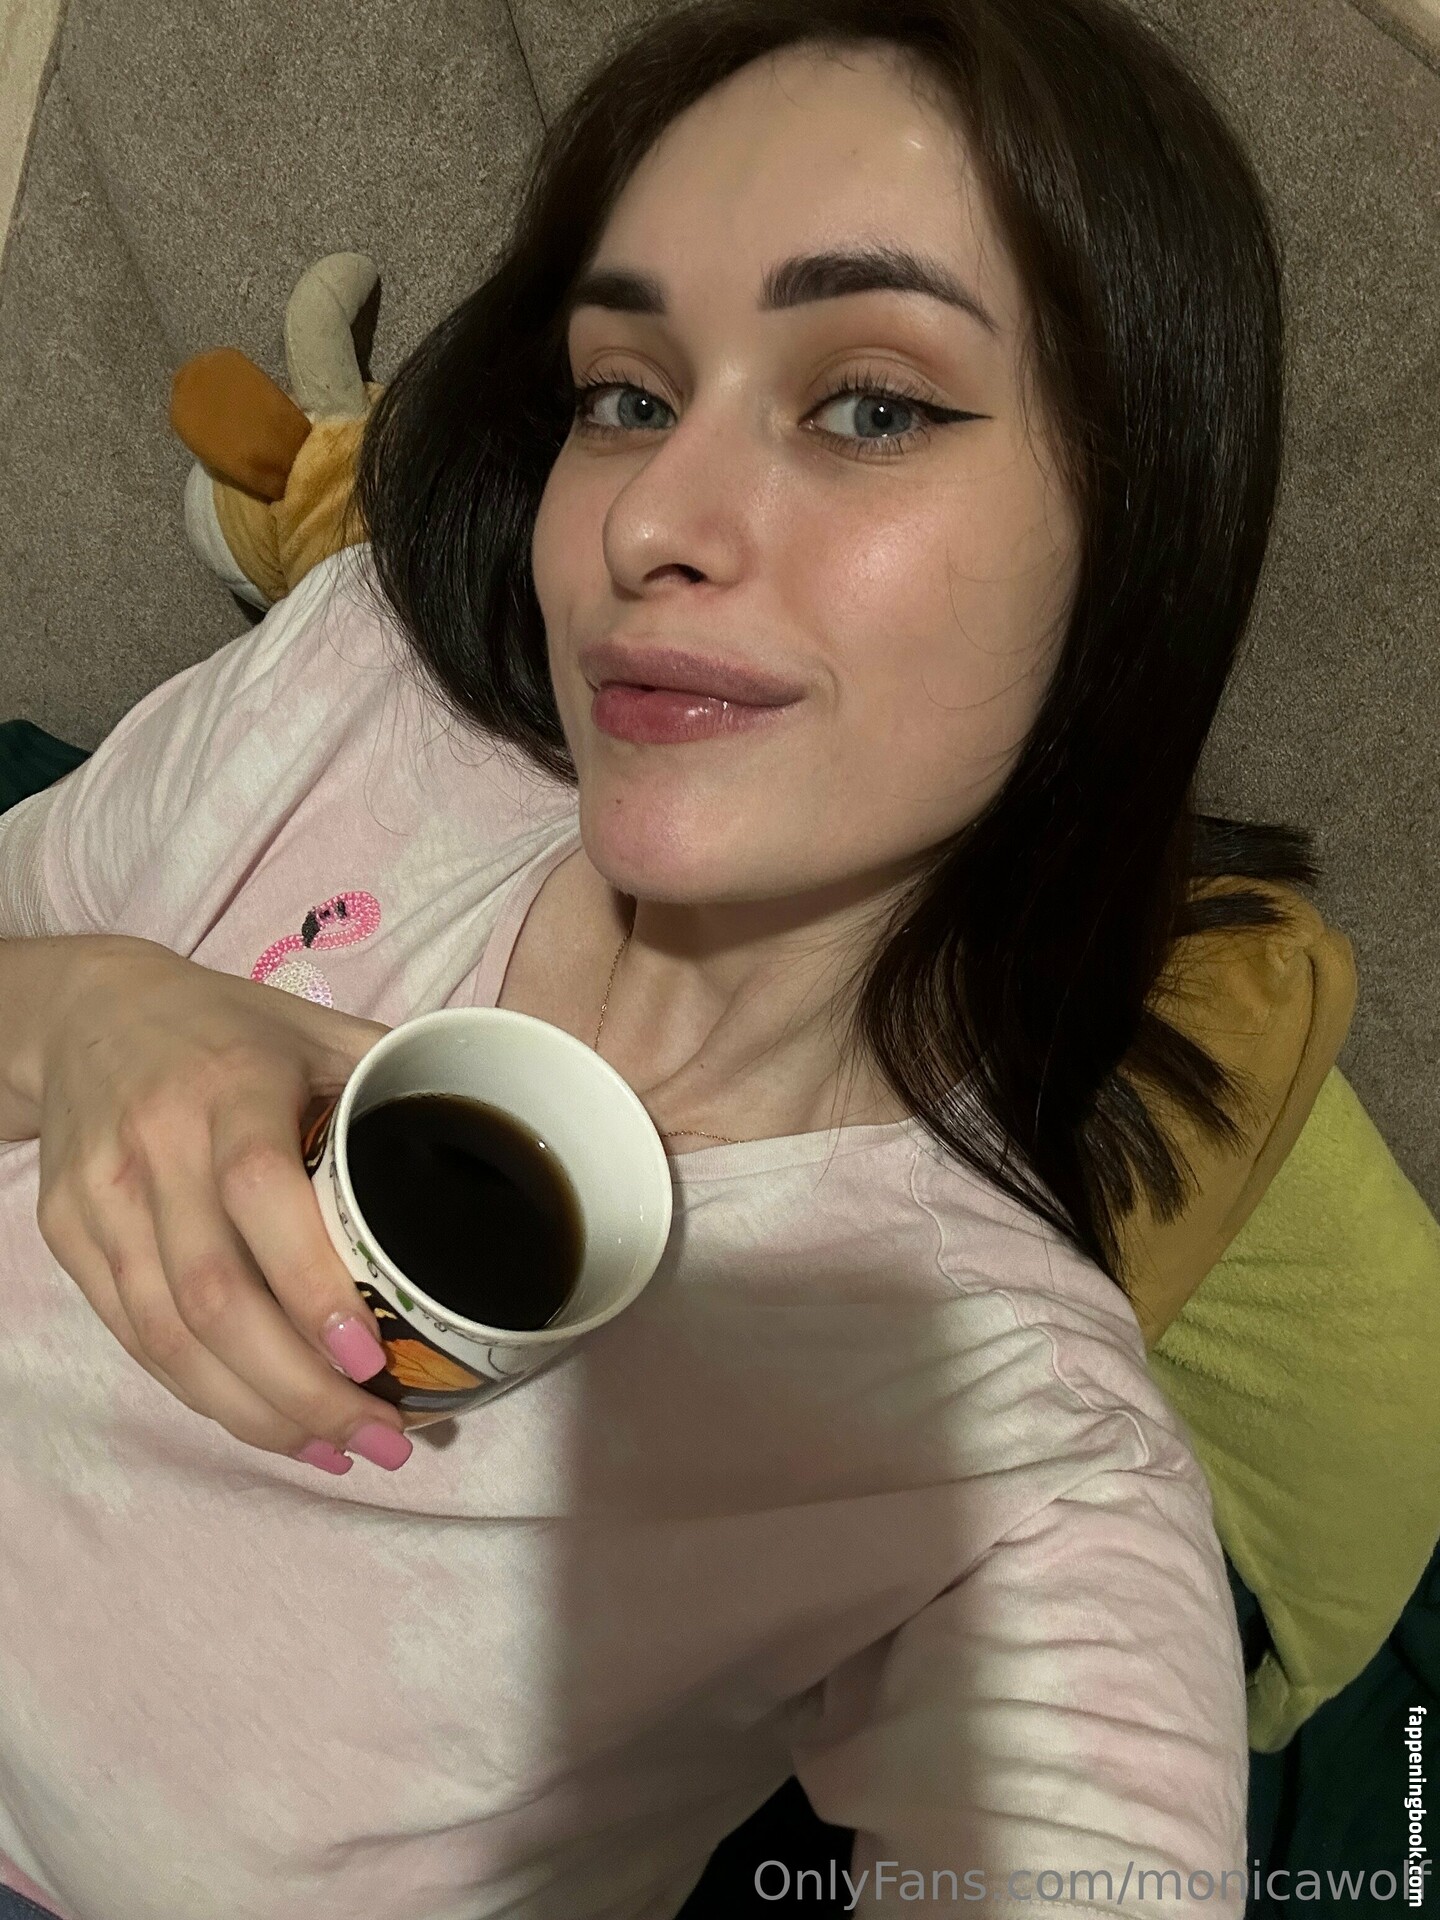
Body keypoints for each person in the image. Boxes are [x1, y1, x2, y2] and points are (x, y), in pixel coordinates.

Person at [0, 0, 1313, 1913]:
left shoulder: (1003, 1442)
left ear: (1132, 544)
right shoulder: (359, 694)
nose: (653, 524)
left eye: (871, 406)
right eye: (624, 395)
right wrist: (83, 1013)